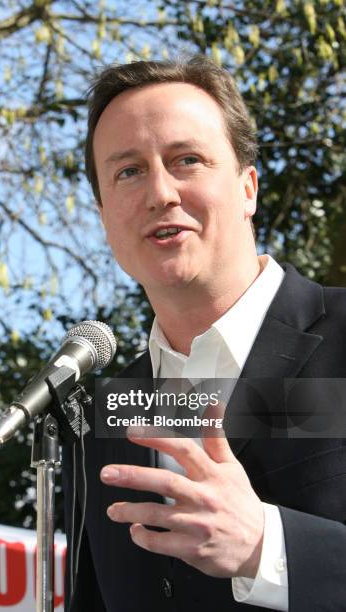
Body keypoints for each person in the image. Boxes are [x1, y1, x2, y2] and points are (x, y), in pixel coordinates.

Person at [62, 56, 346, 612]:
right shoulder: (104, 415)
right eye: (128, 171)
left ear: (248, 188)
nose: (160, 192)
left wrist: (268, 547)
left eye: (186, 159)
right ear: (103, 214)